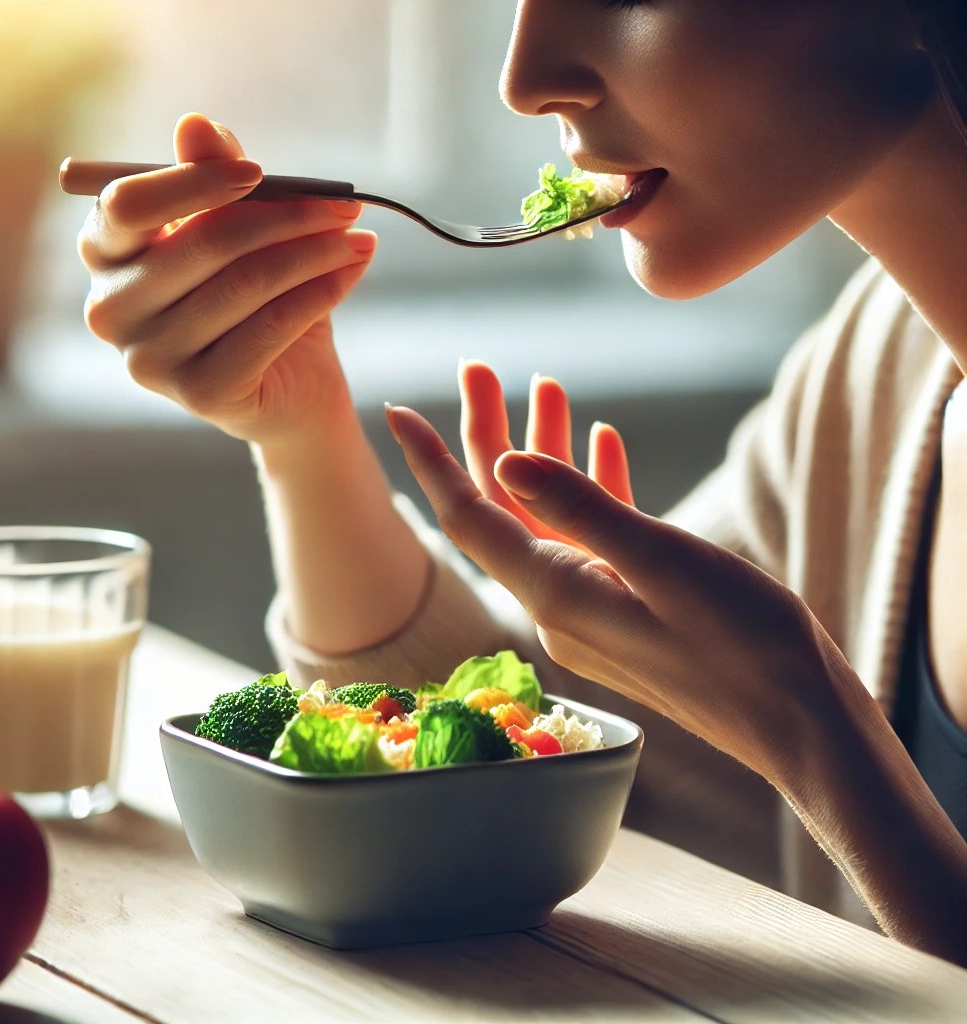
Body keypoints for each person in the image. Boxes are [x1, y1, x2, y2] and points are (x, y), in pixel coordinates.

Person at [76, 0, 967, 964]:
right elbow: (510, 759)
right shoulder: (879, 372)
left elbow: (776, 718)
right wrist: (298, 425)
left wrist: (811, 732)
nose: (525, 75)